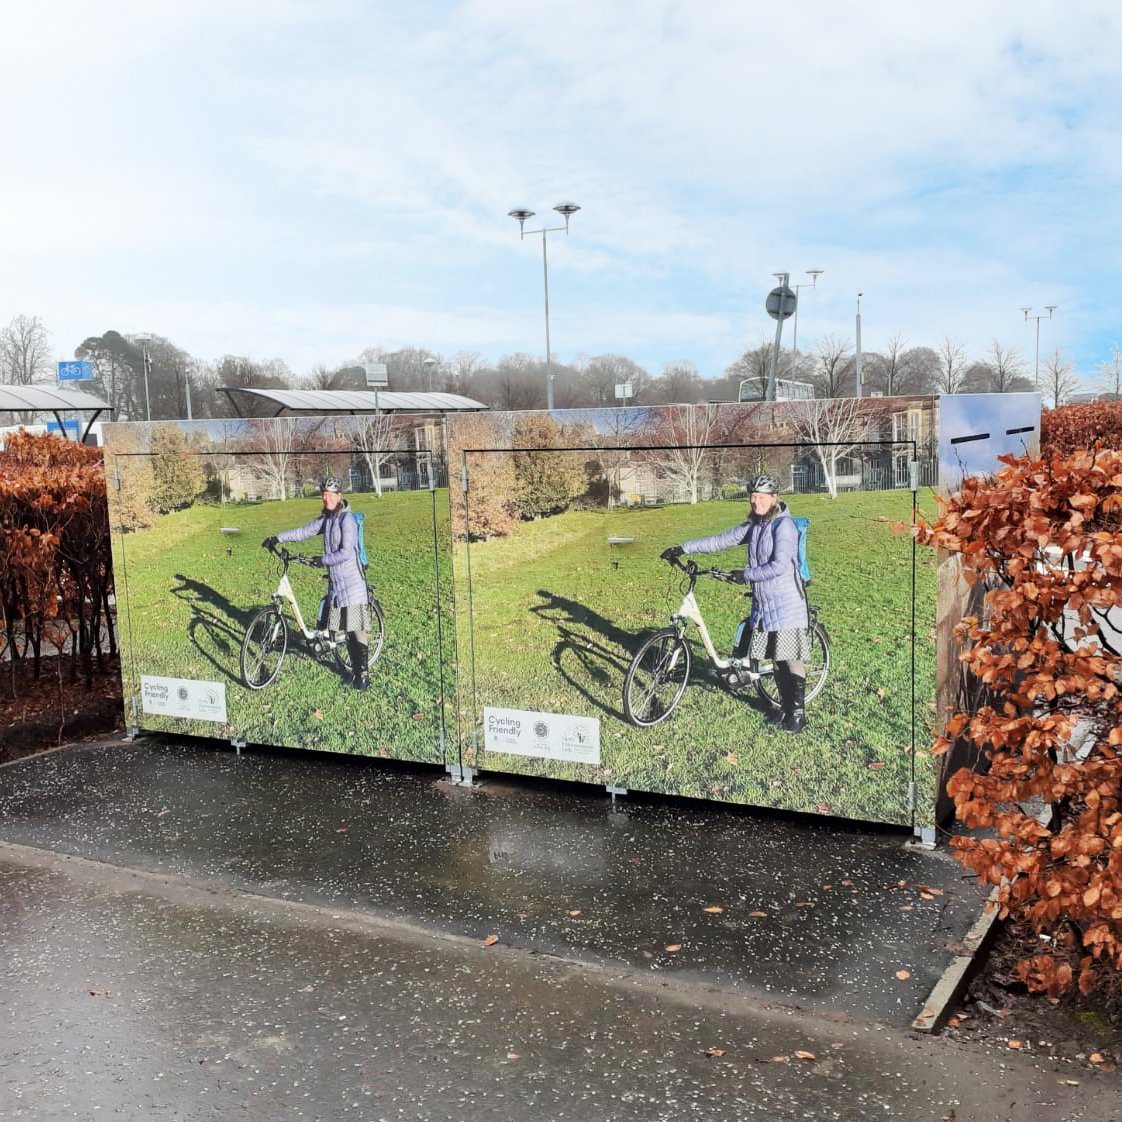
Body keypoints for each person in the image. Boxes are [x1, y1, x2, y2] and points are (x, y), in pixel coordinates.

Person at [660, 473, 811, 732]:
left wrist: (745, 575)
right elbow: (721, 540)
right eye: (753, 496)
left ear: (774, 498)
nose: (755, 501)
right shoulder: (756, 525)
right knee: (775, 659)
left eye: (761, 497)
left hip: (786, 602)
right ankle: (784, 708)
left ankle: (798, 714)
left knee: (788, 658)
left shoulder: (783, 526)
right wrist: (683, 548)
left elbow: (780, 566)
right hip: (764, 604)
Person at [261, 477, 372, 691]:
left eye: (330, 495)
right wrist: (277, 538)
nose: (326, 498)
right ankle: (351, 668)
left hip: (352, 582)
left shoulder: (346, 519)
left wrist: (322, 560)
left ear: (339, 496)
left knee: (355, 628)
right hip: (336, 584)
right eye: (324, 495)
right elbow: (304, 531)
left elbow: (346, 552)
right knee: (343, 629)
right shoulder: (327, 519)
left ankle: (363, 676)